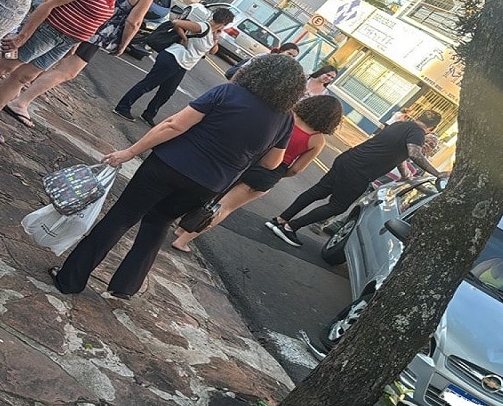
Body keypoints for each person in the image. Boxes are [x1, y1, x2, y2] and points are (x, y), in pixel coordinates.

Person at [48, 54, 306, 299]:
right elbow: (272, 162)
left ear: (257, 72)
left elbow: (175, 125)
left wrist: (131, 151)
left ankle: (70, 279)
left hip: (168, 164)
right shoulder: (284, 121)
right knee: (158, 225)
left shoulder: (228, 92)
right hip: (208, 184)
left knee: (121, 217)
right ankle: (125, 287)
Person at [0, 0, 143, 144]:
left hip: (63, 41)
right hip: (42, 32)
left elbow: (89, 18)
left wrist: (73, 44)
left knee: (24, 76)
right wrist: (22, 36)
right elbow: (47, 4)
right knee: (2, 66)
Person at [4, 0, 167, 124]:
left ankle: (11, 90)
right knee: (65, 71)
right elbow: (133, 22)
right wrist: (123, 45)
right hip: (95, 32)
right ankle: (21, 101)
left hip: (73, 19)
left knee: (34, 60)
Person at [171, 94, 343, 252]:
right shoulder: (317, 140)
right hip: (271, 172)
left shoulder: (287, 116)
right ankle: (184, 240)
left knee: (214, 195)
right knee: (225, 207)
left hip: (252, 156)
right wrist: (279, 173)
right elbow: (296, 169)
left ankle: (181, 228)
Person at [269, 110, 445, 247]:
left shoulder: (399, 125)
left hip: (348, 159)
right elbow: (414, 153)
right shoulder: (418, 133)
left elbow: (397, 153)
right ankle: (291, 227)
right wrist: (437, 174)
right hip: (360, 172)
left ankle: (281, 219)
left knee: (317, 191)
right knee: (337, 206)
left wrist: (406, 174)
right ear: (433, 128)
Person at [113, 7, 235, 125]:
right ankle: (123, 107)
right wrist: (184, 37)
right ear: (223, 22)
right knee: (148, 85)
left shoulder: (212, 33)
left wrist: (216, 38)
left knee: (166, 92)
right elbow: (176, 22)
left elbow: (213, 51)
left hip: (183, 65)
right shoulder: (202, 27)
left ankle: (149, 114)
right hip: (172, 58)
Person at [224, 42, 299, 80]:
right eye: (289, 53)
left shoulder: (283, 69)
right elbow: (243, 69)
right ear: (282, 50)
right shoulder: (263, 57)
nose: (290, 57)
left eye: (293, 57)